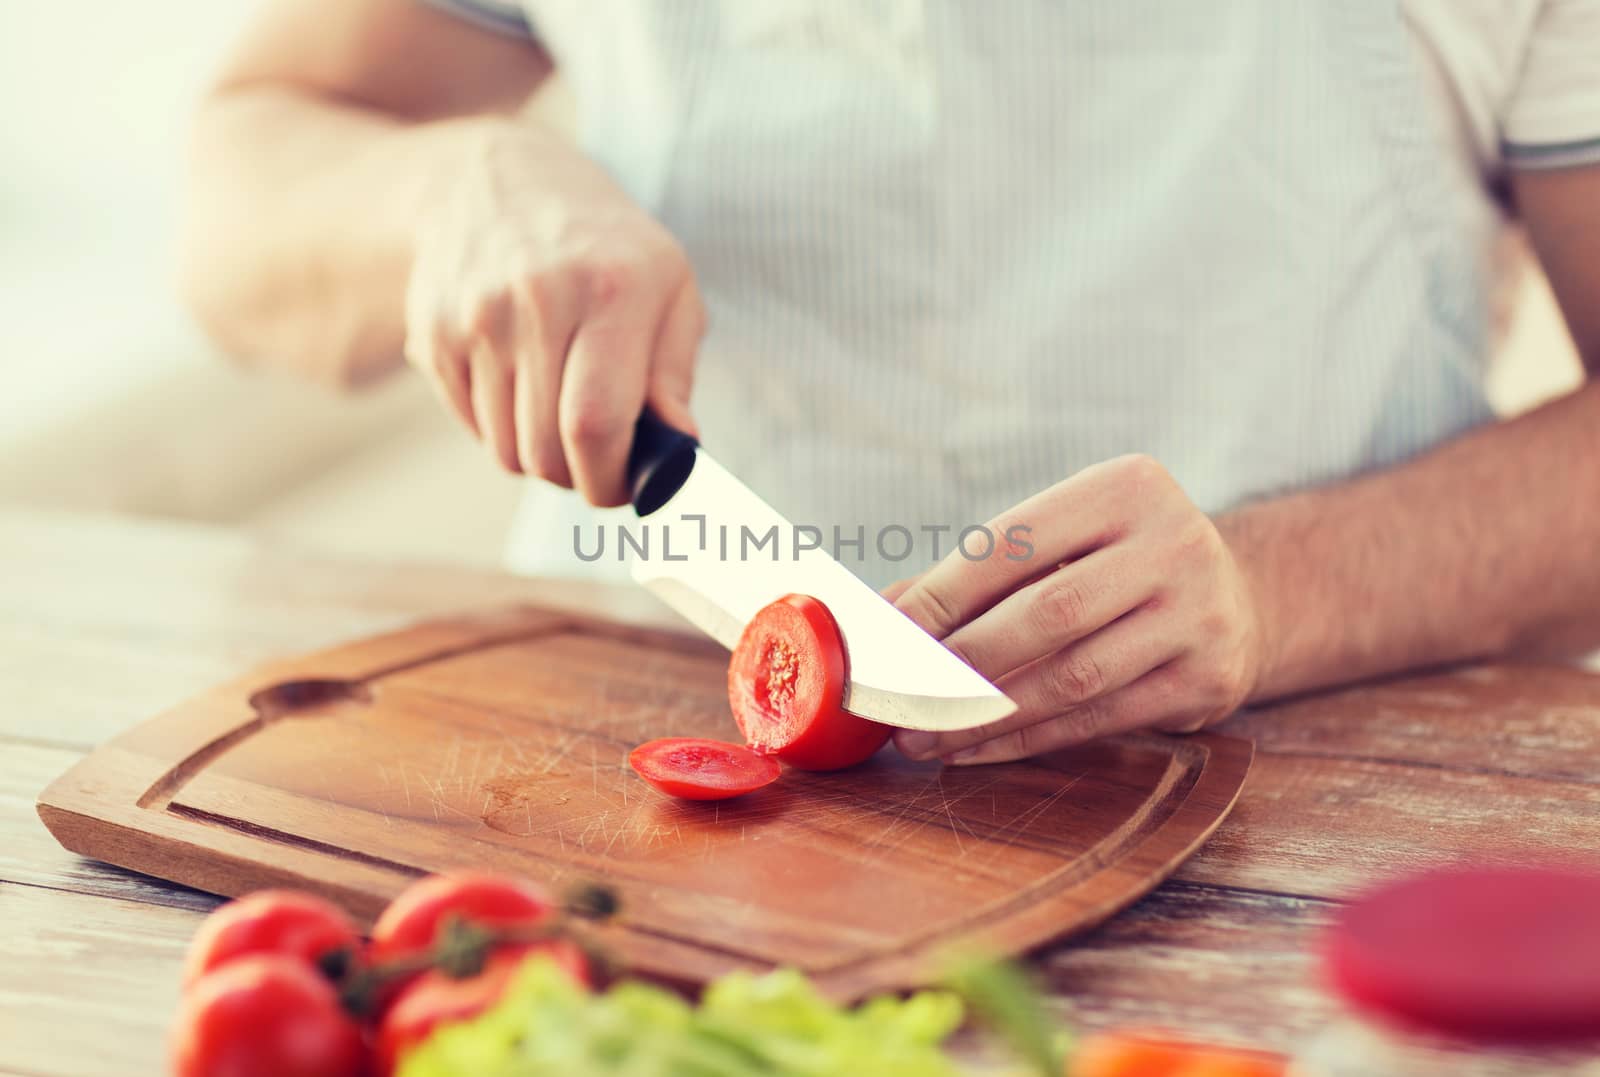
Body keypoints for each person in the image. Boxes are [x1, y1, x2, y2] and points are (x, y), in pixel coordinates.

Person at [183, 0, 1600, 766]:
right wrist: (445, 192)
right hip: (625, 734)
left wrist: (1285, 586)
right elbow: (234, 201)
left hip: (1298, 782)